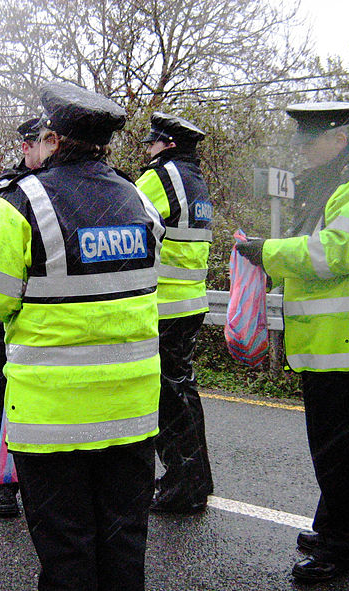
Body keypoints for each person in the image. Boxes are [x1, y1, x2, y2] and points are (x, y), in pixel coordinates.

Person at [0, 81, 164, 591]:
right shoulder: (140, 199)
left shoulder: (18, 203)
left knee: (67, 556)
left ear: (52, 139)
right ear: (104, 143)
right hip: (132, 414)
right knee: (124, 549)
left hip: (53, 422)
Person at [236, 101, 349, 582]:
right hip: (333, 341)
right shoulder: (337, 180)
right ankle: (339, 527)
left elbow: (337, 254)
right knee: (339, 447)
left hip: (345, 343)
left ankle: (343, 546)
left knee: (339, 451)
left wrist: (268, 252)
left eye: (310, 142)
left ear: (339, 139)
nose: (301, 150)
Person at [135, 111, 214, 513]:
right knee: (183, 391)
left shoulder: (160, 177)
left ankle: (182, 486)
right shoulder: (196, 181)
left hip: (163, 304)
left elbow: (127, 221)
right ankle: (195, 479)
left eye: (152, 143)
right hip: (191, 302)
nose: (148, 150)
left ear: (167, 145)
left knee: (168, 398)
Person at [0, 116, 42, 517]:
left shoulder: (65, 187)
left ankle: (40, 482)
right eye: (42, 142)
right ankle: (5, 481)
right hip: (9, 316)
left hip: (52, 317)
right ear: (26, 147)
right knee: (4, 398)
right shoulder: (3, 191)